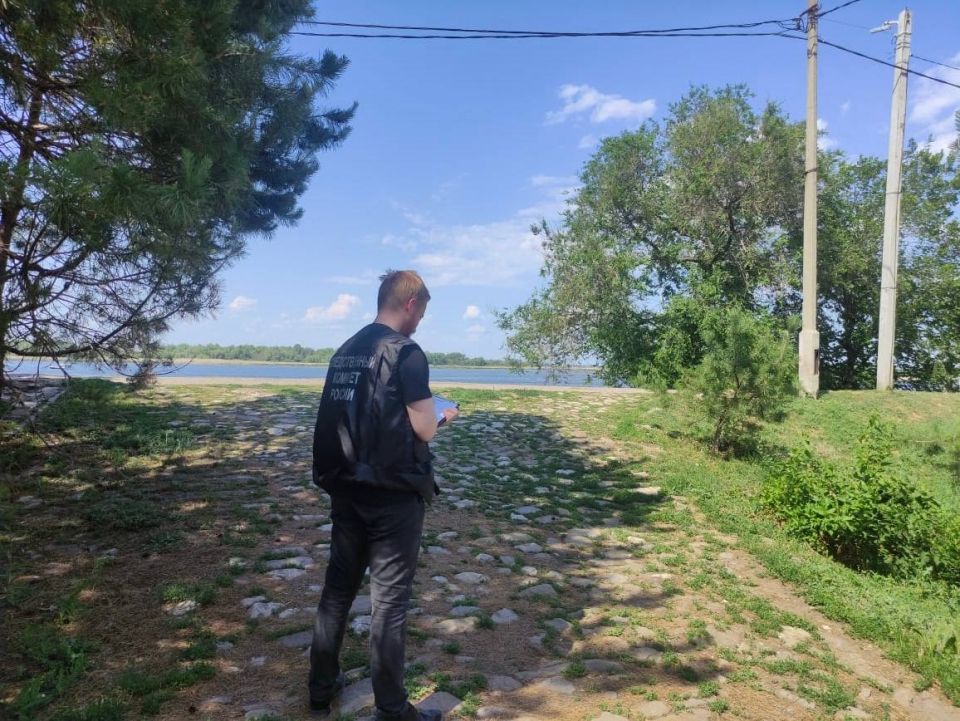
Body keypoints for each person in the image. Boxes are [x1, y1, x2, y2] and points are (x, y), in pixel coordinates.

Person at [308, 270, 459, 721]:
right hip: (393, 495)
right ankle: (393, 711)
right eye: (422, 312)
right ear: (410, 304)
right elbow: (423, 428)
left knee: (338, 591)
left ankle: (320, 688)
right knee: (388, 605)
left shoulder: (346, 350)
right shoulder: (407, 352)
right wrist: (445, 415)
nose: (420, 322)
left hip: (347, 487)